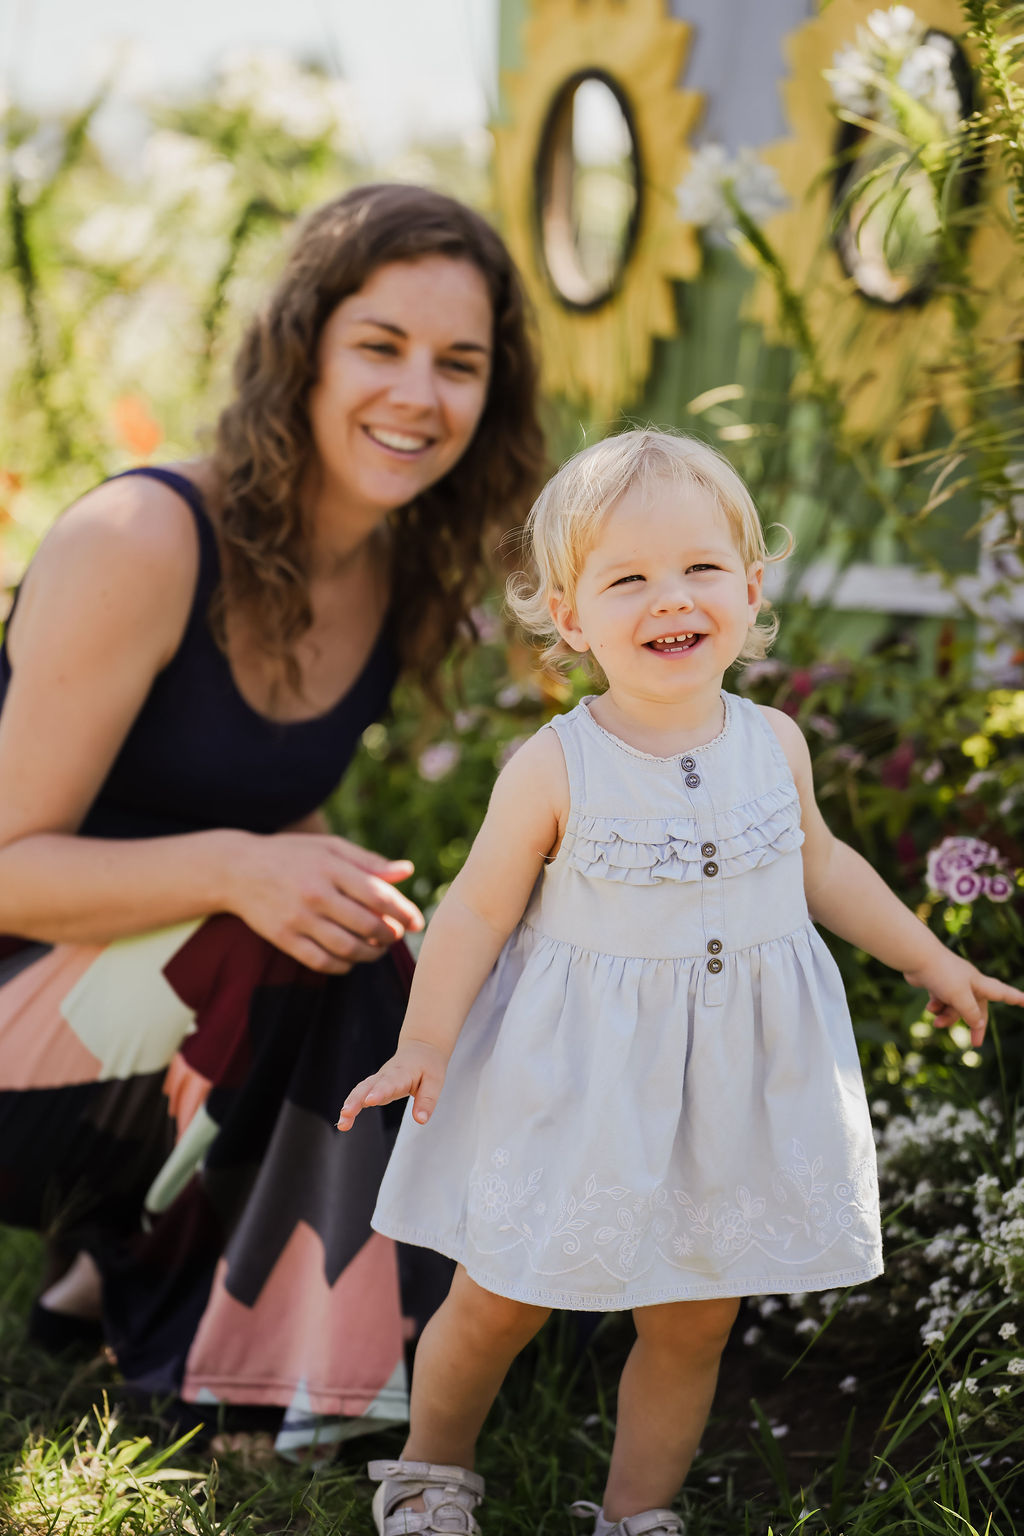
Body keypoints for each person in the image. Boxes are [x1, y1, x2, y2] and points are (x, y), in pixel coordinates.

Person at [338, 428, 1024, 1535]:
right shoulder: (557, 765)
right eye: (629, 578)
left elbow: (823, 865)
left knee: (696, 1315)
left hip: (724, 1089)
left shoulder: (774, 743)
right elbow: (473, 909)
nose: (674, 597)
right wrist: (425, 1041)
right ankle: (430, 1471)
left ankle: (636, 1511)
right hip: (577, 1084)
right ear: (570, 618)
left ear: (751, 592)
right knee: (502, 1294)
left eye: (703, 569)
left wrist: (928, 956)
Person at [0, 182, 544, 1456]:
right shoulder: (143, 537)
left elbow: (270, 812)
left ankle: (141, 1275)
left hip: (140, 1011)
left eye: (459, 364)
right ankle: (243, 1364)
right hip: (20, 1025)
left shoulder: (391, 568)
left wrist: (329, 897)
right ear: (300, 347)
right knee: (274, 937)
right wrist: (248, 870)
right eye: (381, 346)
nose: (419, 393)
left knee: (377, 958)